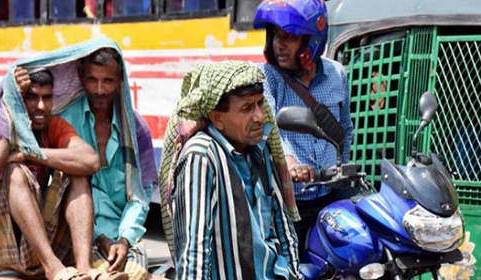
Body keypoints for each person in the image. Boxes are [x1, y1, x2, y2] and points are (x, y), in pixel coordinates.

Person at [168, 61, 302, 280]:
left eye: (260, 104)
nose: (260, 117)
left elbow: (282, 226)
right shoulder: (202, 155)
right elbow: (195, 251)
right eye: (247, 109)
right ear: (217, 118)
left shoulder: (258, 149)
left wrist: (294, 273)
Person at [0, 68, 127, 280]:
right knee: (13, 172)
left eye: (47, 98)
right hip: (3, 243)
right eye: (31, 98)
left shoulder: (51, 126)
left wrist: (31, 153)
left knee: (77, 173)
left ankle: (84, 268)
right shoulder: (1, 125)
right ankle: (52, 268)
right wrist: (9, 107)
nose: (41, 107)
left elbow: (89, 160)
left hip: (34, 242)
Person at [253, 0, 355, 253]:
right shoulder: (268, 77)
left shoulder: (337, 74)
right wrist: (291, 165)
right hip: (290, 203)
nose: (279, 45)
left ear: (312, 40)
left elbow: (345, 129)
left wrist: (342, 169)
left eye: (289, 37)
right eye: (276, 36)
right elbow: (269, 130)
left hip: (331, 198)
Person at [57, 48, 157, 280]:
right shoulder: (65, 120)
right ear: (82, 77)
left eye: (108, 81)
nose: (100, 90)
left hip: (124, 239)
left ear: (120, 80)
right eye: (92, 80)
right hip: (75, 236)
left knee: (132, 272)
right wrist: (99, 237)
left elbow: (140, 196)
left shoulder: (136, 129)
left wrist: (123, 240)